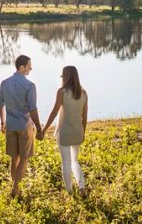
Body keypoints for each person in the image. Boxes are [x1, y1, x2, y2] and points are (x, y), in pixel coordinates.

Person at [0, 54, 43, 198]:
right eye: (29, 66)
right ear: (22, 67)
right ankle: (16, 189)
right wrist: (39, 128)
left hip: (10, 125)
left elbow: (0, 104)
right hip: (24, 126)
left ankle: (15, 187)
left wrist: (3, 122)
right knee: (24, 158)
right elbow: (33, 109)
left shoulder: (4, 83)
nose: (31, 68)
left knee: (14, 158)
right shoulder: (30, 86)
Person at [39, 65, 88, 196]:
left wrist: (44, 129)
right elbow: (84, 116)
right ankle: (82, 187)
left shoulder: (62, 92)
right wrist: (83, 132)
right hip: (78, 132)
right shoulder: (83, 93)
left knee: (66, 162)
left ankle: (70, 192)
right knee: (75, 161)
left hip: (64, 133)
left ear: (65, 77)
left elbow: (54, 112)